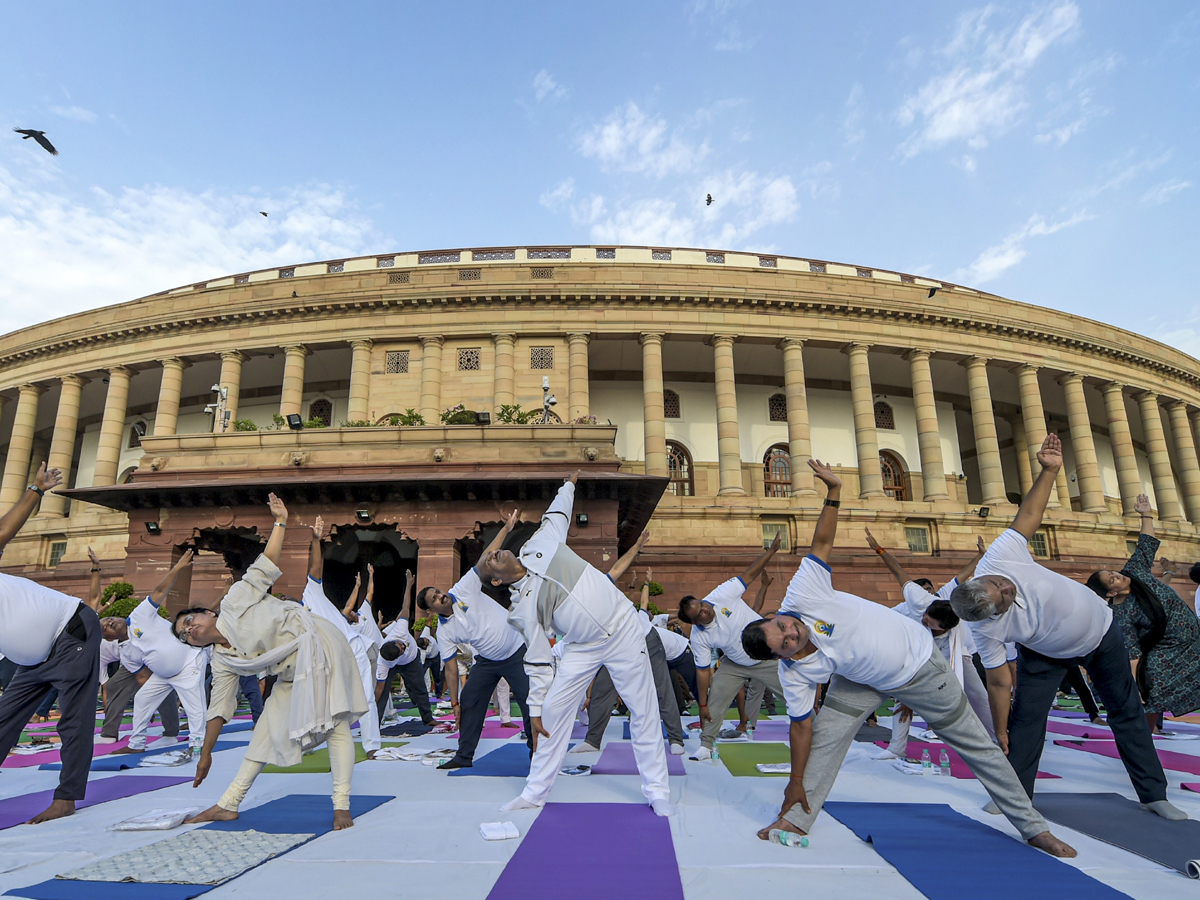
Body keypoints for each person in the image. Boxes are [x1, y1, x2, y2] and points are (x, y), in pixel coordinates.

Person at [740, 458, 1076, 857]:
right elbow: (801, 729)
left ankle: (1033, 827)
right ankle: (794, 818)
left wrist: (833, 493)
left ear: (775, 615)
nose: (790, 633)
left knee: (977, 747)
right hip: (860, 680)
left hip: (920, 669)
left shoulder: (803, 595)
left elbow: (822, 545)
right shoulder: (795, 672)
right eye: (784, 644)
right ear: (782, 656)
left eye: (782, 626)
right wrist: (795, 779)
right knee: (825, 742)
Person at [950, 435, 1185, 821]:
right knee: (1026, 721)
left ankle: (1153, 794)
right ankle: (1014, 795)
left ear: (982, 578)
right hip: (1044, 654)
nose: (1008, 587)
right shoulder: (987, 631)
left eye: (998, 583)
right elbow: (997, 682)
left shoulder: (999, 556)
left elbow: (1028, 515)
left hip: (1102, 636)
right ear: (992, 614)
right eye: (1004, 598)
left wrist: (1049, 471)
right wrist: (1000, 728)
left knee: (1125, 711)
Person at [478, 472, 673, 816]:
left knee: (643, 709)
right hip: (582, 647)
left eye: (495, 551)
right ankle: (534, 792)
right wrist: (535, 706)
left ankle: (657, 790)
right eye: (488, 559)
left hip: (624, 628)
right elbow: (537, 658)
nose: (494, 553)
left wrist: (568, 485)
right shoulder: (521, 608)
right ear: (495, 579)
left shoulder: (538, 544)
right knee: (552, 713)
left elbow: (558, 514)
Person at [176, 493, 368, 831]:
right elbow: (219, 708)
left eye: (189, 621)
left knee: (336, 723)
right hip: (292, 674)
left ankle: (341, 805)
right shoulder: (223, 660)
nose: (189, 629)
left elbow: (265, 565)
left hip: (321, 645)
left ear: (207, 613)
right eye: (184, 634)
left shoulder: (235, 600)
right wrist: (205, 753)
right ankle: (228, 804)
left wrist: (280, 521)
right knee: (264, 730)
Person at [0, 464, 102, 823]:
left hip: (70, 631)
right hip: (33, 658)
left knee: (73, 720)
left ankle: (67, 798)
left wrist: (36, 489)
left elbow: (2, 530)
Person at [415, 508, 533, 769]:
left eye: (438, 592)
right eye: (434, 599)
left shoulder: (463, 588)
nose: (440, 596)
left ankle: (537, 755)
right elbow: (450, 668)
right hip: (488, 662)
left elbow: (485, 559)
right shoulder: (444, 632)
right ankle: (463, 756)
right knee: (470, 703)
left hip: (516, 651)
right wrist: (454, 701)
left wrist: (506, 529)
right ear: (431, 609)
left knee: (529, 702)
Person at [864, 529, 995, 756]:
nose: (925, 622)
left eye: (930, 624)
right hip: (915, 656)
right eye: (925, 618)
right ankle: (896, 748)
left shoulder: (951, 633)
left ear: (943, 628)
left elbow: (965, 577)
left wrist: (982, 557)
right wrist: (878, 548)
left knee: (978, 696)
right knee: (903, 700)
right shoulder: (918, 600)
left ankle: (996, 738)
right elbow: (898, 571)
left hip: (954, 657)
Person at [1086, 493, 1200, 736]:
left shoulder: (1135, 570)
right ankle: (1142, 736)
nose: (1117, 575)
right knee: (1153, 688)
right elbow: (1133, 654)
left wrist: (1146, 513)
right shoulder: (1121, 612)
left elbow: (1146, 542)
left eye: (1112, 571)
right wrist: (1135, 687)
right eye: (1111, 579)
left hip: (1195, 637)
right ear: (1109, 593)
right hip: (1170, 650)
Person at [676, 534, 782, 759]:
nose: (706, 609)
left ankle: (820, 734)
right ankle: (706, 746)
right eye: (700, 613)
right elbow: (703, 671)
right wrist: (702, 703)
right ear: (695, 622)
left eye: (702, 605)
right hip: (735, 663)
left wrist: (771, 551)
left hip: (767, 657)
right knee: (717, 699)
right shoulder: (699, 636)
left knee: (794, 693)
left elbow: (750, 574)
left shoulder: (721, 594)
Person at [576, 562, 686, 756]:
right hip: (616, 647)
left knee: (662, 689)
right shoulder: (584, 609)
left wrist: (645, 583)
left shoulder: (627, 608)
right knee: (602, 690)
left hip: (646, 642)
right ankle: (593, 740)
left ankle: (676, 738)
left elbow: (642, 602)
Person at [102, 551, 207, 755]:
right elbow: (142, 677)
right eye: (106, 626)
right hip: (162, 675)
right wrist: (156, 698)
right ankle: (136, 744)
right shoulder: (126, 653)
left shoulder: (139, 614)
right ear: (109, 638)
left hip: (189, 663)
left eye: (110, 618)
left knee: (195, 706)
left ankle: (197, 743)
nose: (111, 621)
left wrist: (178, 567)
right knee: (141, 699)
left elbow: (160, 590)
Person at [303, 517, 381, 756]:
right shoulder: (289, 619)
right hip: (328, 658)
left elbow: (315, 568)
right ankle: (305, 742)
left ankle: (372, 746)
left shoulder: (310, 592)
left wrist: (316, 542)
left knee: (366, 697)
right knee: (314, 698)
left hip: (353, 650)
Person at [375, 569, 435, 727]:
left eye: (401, 645)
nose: (403, 645)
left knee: (419, 688)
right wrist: (371, 709)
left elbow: (406, 606)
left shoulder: (400, 631)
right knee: (382, 696)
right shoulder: (384, 663)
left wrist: (409, 585)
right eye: (402, 649)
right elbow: (380, 689)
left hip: (412, 660)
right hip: (396, 666)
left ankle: (428, 718)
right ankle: (375, 723)